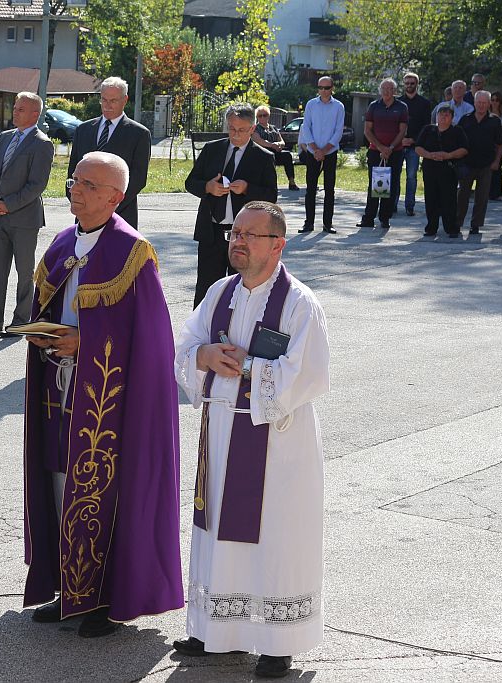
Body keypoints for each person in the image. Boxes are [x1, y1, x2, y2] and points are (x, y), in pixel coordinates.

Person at [23, 150, 183, 639]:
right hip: (58, 385)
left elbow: (152, 342)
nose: (78, 190)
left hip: (109, 400)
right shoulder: (61, 243)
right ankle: (69, 588)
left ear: (116, 197)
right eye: (76, 180)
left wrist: (85, 342)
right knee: (59, 481)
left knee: (102, 490)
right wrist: (42, 333)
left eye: (91, 185)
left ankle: (105, 596)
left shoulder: (133, 253)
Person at [172, 200, 329, 680]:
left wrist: (245, 366)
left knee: (274, 536)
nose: (237, 241)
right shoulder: (220, 292)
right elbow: (185, 345)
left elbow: (308, 375)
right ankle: (216, 630)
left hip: (277, 444)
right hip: (222, 432)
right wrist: (203, 356)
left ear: (278, 245)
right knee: (218, 528)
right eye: (234, 233)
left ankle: (278, 642)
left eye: (249, 235)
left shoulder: (299, 303)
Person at [0, 92, 53, 337]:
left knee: (24, 273)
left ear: (35, 114)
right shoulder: (5, 137)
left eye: (20, 109)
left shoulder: (42, 144)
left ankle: (20, 321)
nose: (14, 112)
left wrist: (8, 204)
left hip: (24, 219)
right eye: (15, 108)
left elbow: (37, 185)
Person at [186, 104, 278, 307]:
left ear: (252, 129)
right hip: (211, 232)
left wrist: (247, 189)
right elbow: (190, 182)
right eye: (231, 128)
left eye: (241, 130)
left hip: (244, 236)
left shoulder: (263, 157)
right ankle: (202, 326)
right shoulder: (212, 149)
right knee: (206, 289)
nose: (235, 134)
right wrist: (208, 187)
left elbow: (271, 196)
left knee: (240, 290)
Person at [66, 77, 151, 228]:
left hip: (120, 216)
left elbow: (138, 179)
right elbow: (72, 172)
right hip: (85, 216)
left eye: (113, 101)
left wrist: (106, 208)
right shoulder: (83, 130)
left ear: (125, 100)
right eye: (104, 100)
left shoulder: (139, 134)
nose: (107, 105)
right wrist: (81, 202)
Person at [358, 78, 408, 229]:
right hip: (376, 152)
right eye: (384, 88)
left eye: (390, 88)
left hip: (395, 152)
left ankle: (385, 218)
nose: (387, 91)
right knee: (375, 185)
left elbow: (402, 131)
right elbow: (367, 130)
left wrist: (390, 148)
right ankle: (368, 218)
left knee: (390, 186)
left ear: (395, 91)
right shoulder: (374, 106)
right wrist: (381, 148)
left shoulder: (402, 107)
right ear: (380, 90)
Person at [298, 76, 345, 233]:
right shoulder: (311, 104)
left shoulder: (339, 106)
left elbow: (338, 131)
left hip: (330, 152)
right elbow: (306, 127)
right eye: (320, 87)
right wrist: (315, 149)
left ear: (332, 88)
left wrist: (324, 150)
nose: (323, 91)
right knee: (310, 189)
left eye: (326, 88)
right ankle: (308, 223)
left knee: (329, 189)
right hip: (313, 152)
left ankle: (327, 223)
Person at [415, 104, 469, 237]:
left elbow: (464, 149)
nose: (443, 117)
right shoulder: (428, 129)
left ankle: (451, 228)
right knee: (431, 198)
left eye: (447, 115)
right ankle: (431, 227)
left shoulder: (457, 131)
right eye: (441, 114)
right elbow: (418, 147)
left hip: (448, 170)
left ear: (452, 118)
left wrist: (448, 155)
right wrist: (430, 155)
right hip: (430, 169)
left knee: (449, 199)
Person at [457, 91, 502, 235]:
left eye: (484, 103)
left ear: (489, 104)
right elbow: (457, 140)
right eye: (479, 102)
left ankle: (475, 225)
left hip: (486, 164)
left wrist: (496, 161)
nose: (481, 105)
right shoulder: (465, 119)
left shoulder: (494, 121)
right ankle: (457, 223)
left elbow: (500, 144)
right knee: (462, 195)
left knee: (482, 197)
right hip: (467, 163)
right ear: (474, 103)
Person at [398, 72, 433, 216]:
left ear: (417, 84)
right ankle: (392, 205)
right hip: (398, 145)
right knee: (395, 175)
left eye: (412, 83)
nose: (409, 86)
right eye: (407, 83)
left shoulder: (425, 103)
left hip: (414, 146)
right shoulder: (398, 102)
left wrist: (413, 139)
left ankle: (409, 206)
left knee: (411, 177)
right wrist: (400, 139)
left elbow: (426, 126)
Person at [251, 105, 299, 191]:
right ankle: (272, 184)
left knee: (287, 155)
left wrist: (278, 144)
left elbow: (282, 142)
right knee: (270, 156)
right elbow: (258, 141)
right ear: (257, 117)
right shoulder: (255, 129)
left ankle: (292, 182)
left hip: (275, 151)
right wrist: (272, 145)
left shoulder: (273, 128)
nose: (262, 117)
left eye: (265, 115)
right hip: (261, 153)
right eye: (260, 115)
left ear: (268, 116)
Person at [489, 92, 502, 200]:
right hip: (491, 145)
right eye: (493, 100)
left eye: (497, 100)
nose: (495, 102)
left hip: (501, 145)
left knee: (498, 168)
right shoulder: (488, 114)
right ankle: (490, 192)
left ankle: (497, 193)